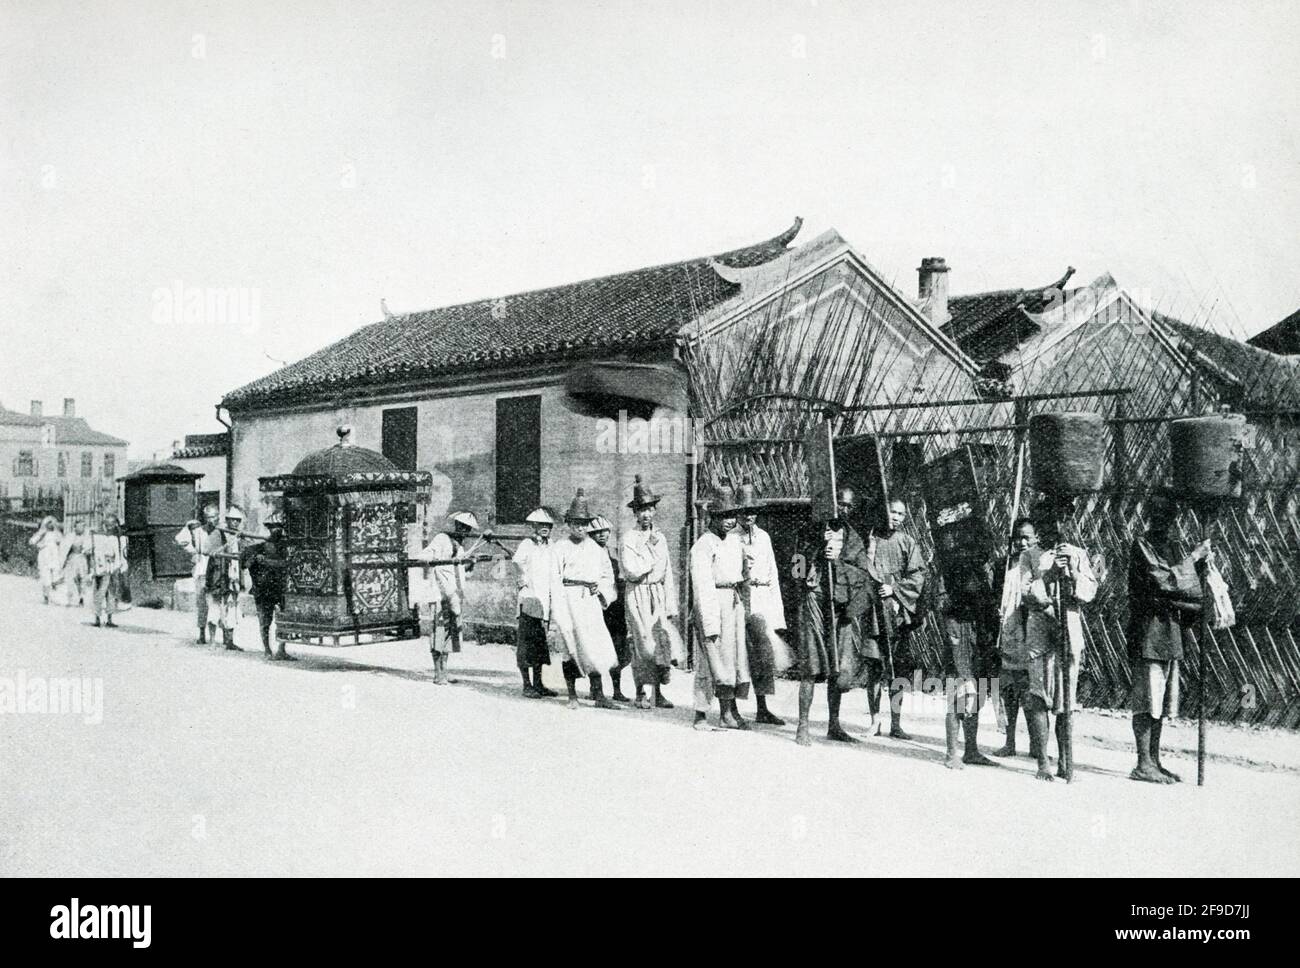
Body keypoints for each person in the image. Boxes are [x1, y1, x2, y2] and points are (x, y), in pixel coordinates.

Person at [1125, 492, 1208, 784]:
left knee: (1159, 702)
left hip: (1169, 631)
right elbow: (1164, 582)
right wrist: (1193, 560)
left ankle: (1154, 759)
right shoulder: (1143, 545)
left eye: (1168, 516)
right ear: (1150, 516)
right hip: (1148, 631)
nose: (1162, 521)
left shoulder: (1172, 548)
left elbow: (1188, 589)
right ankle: (1142, 762)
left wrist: (1196, 570)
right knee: (1147, 700)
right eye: (1157, 515)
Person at [794, 486, 873, 746]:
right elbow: (795, 570)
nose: (844, 509)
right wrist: (817, 549)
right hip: (816, 602)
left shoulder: (854, 540)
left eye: (849, 505)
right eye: (840, 503)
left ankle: (833, 724)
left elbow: (863, 576)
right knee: (812, 665)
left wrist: (838, 562)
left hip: (840, 607)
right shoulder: (810, 531)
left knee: (839, 667)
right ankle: (803, 726)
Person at [1022, 513, 1098, 782]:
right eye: (1047, 523)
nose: (1053, 527)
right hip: (1041, 630)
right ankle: (1043, 762)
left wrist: (1073, 572)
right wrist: (1050, 574)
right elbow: (1027, 591)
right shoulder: (1030, 555)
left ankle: (1066, 760)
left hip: (1069, 628)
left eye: (1058, 522)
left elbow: (1089, 591)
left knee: (1066, 700)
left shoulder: (1077, 553)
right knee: (1040, 695)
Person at [861, 498, 927, 740]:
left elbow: (918, 575)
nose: (896, 517)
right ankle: (875, 720)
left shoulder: (907, 542)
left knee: (897, 669)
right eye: (892, 512)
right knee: (874, 668)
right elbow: (862, 568)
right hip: (874, 609)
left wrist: (895, 589)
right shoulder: (871, 538)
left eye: (901, 513)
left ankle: (896, 723)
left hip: (897, 611)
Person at [689, 482, 752, 730]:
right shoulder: (703, 545)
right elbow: (703, 585)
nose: (728, 521)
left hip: (732, 603)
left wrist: (742, 606)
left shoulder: (735, 542)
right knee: (710, 658)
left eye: (731, 515)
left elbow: (743, 575)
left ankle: (727, 712)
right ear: (712, 517)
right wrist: (709, 621)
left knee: (732, 660)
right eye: (722, 516)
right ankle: (701, 714)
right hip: (712, 603)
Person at [551, 490, 621, 710]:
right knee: (571, 645)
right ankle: (572, 695)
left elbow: (606, 576)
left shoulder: (595, 548)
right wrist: (558, 608)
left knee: (594, 646)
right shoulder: (560, 547)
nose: (579, 528)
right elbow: (554, 578)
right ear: (569, 524)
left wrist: (600, 591)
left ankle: (599, 694)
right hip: (569, 600)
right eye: (575, 524)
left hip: (590, 601)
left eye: (583, 524)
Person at [620, 475, 682, 710]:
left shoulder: (661, 538)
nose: (646, 515)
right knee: (641, 642)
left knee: (661, 642)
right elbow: (631, 570)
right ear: (635, 513)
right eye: (641, 510)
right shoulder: (630, 538)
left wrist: (670, 605)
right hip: (638, 594)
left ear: (654, 511)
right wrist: (649, 549)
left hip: (657, 593)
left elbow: (666, 572)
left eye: (649, 509)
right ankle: (640, 692)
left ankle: (658, 691)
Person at [735, 477, 790, 726]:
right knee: (739, 653)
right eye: (744, 512)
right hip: (739, 598)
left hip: (761, 598)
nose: (749, 516)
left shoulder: (764, 538)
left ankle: (762, 707)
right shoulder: (731, 537)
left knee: (763, 654)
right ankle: (733, 707)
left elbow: (773, 575)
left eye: (753, 512)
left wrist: (775, 613)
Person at [992, 518, 1042, 758]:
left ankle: (1036, 745)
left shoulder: (1038, 563)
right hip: (1007, 634)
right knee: (1009, 692)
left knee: (1030, 693)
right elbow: (995, 595)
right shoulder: (1004, 565)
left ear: (1036, 538)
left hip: (1029, 635)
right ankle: (1010, 741)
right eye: (1018, 537)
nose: (1022, 542)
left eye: (1027, 537)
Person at [941, 564, 1000, 768]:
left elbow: (988, 604)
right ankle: (951, 754)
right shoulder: (948, 570)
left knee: (977, 696)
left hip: (979, 636)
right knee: (958, 696)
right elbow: (941, 602)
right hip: (958, 632)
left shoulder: (985, 571)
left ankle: (971, 750)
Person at [410, 511, 478, 684]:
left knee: (450, 633)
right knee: (438, 632)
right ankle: (437, 673)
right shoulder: (442, 539)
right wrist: (427, 559)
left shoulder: (461, 548)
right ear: (456, 525)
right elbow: (427, 554)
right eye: (462, 527)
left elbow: (463, 572)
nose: (464, 531)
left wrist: (469, 563)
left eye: (467, 529)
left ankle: (445, 671)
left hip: (454, 594)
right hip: (439, 594)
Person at [512, 507, 561, 698]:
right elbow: (517, 561)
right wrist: (523, 579)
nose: (545, 528)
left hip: (545, 601)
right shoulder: (527, 543)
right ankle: (527, 685)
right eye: (541, 525)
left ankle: (539, 683)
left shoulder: (552, 546)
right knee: (526, 644)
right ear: (534, 526)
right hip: (529, 599)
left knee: (540, 645)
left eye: (548, 525)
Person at [587, 515, 631, 703]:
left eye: (605, 532)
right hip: (596, 606)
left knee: (619, 647)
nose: (602, 535)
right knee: (595, 648)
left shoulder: (614, 553)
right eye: (597, 532)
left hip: (616, 607)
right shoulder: (587, 554)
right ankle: (596, 689)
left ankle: (617, 689)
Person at [242, 517, 290, 659]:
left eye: (279, 527)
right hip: (264, 589)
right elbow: (245, 562)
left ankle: (282, 649)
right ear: (269, 529)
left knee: (283, 620)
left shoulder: (285, 547)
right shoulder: (259, 547)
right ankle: (267, 649)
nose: (276, 530)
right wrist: (254, 559)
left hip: (281, 588)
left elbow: (287, 563)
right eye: (273, 527)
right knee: (264, 621)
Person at [205, 506, 250, 651]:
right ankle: (212, 640)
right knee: (215, 607)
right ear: (227, 520)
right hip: (219, 575)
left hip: (233, 576)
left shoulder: (239, 535)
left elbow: (245, 552)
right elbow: (207, 550)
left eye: (238, 520)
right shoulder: (218, 533)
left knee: (232, 608)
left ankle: (229, 641)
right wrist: (226, 546)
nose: (235, 523)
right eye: (233, 520)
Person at [176, 504, 222, 644]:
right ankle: (202, 634)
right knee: (202, 603)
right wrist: (193, 552)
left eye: (213, 517)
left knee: (215, 603)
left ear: (218, 517)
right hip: (202, 568)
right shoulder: (198, 531)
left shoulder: (221, 531)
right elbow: (180, 539)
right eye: (208, 517)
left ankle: (216, 637)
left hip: (217, 569)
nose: (211, 520)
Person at [87, 515, 128, 628]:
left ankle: (110, 618)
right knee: (99, 593)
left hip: (113, 567)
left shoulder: (119, 538)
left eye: (112, 524)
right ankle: (97, 617)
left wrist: (120, 566)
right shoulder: (97, 537)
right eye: (107, 524)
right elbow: (89, 551)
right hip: (101, 567)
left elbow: (121, 553)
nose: (110, 527)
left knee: (112, 593)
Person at [28, 516, 64, 604]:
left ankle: (56, 597)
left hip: (54, 556)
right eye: (49, 524)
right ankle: (46, 596)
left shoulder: (57, 534)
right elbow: (32, 541)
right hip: (44, 555)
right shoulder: (42, 533)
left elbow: (63, 543)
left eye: (52, 524)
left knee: (56, 576)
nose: (51, 525)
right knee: (45, 576)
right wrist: (40, 537)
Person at [62, 519, 91, 606]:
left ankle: (81, 597)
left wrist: (86, 550)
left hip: (82, 559)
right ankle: (70, 599)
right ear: (75, 527)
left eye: (82, 526)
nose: (80, 528)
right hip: (72, 559)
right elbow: (65, 549)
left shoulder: (87, 538)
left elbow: (89, 550)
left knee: (82, 578)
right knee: (71, 579)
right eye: (78, 526)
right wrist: (64, 561)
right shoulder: (70, 537)